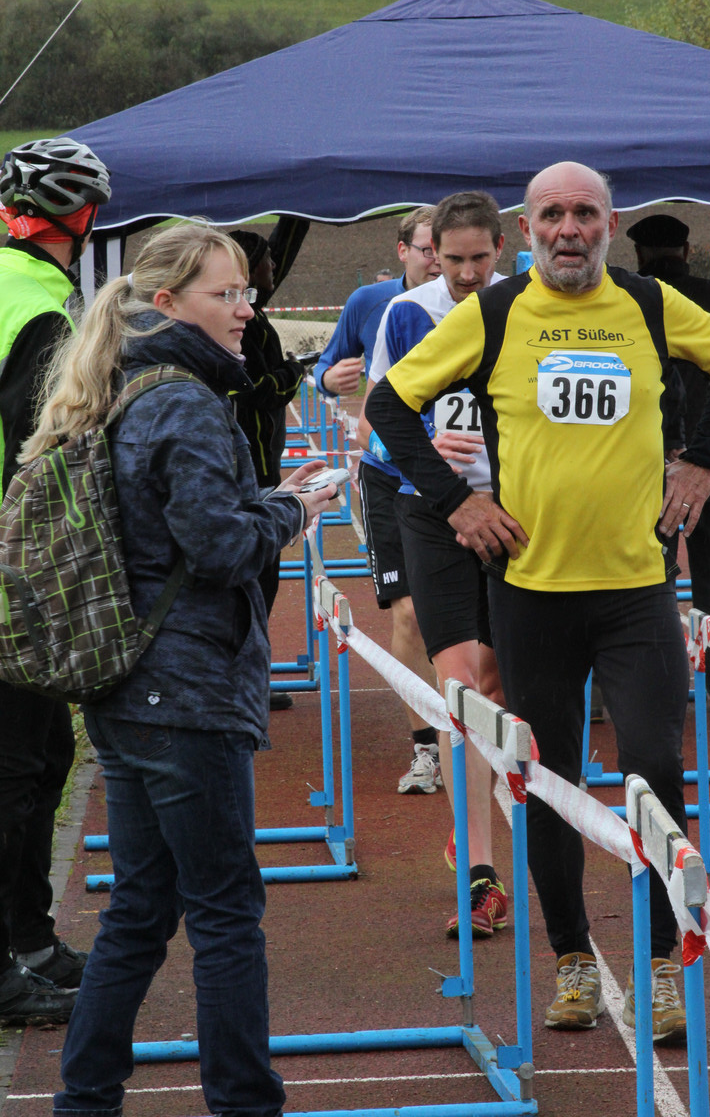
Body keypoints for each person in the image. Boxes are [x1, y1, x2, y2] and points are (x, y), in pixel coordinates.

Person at [366, 162, 710, 1042]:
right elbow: (390, 403)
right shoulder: (496, 312)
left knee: (654, 769)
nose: (569, 229)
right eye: (552, 215)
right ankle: (573, 958)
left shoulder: (648, 304)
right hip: (532, 596)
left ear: (609, 224)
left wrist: (702, 459)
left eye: (585, 213)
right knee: (547, 783)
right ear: (527, 229)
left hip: (635, 593)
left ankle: (663, 962)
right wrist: (455, 502)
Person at [20, 223, 338, 1117]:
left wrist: (266, 502)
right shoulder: (186, 402)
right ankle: (244, 1103)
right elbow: (221, 546)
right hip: (184, 692)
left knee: (141, 907)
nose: (246, 311)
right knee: (226, 915)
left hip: (129, 686)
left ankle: (86, 1098)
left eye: (247, 293)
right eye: (225, 294)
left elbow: (174, 530)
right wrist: (293, 508)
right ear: (167, 304)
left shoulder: (122, 385)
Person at [360, 191, 508, 939]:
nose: (467, 273)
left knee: (498, 682)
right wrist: (422, 445)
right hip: (432, 509)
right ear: (430, 253)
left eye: (479, 258)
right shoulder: (405, 314)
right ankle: (482, 875)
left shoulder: (524, 306)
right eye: (453, 260)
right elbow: (374, 421)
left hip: (515, 512)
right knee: (460, 687)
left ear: (501, 250)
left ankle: (480, 808)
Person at [0, 137, 112, 1028]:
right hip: (14, 569)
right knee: (19, 767)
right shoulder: (39, 306)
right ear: (83, 219)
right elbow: (41, 453)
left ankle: (30, 941)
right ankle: (11, 962)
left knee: (43, 759)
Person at [314, 208, 445, 794]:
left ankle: (480, 732)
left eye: (447, 251)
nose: (438, 261)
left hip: (467, 478)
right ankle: (427, 749)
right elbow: (325, 366)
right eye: (427, 249)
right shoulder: (370, 303)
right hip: (389, 474)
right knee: (410, 612)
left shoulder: (482, 304)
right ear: (402, 251)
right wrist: (328, 380)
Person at [625, 213, 710, 710]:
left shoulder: (629, 298)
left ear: (639, 254)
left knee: (639, 584)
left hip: (644, 460)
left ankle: (644, 688)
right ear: (687, 250)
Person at [229, 228, 305, 615]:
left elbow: (279, 254)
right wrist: (294, 371)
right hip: (252, 471)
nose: (274, 264)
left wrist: (299, 216)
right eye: (266, 261)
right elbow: (258, 389)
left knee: (262, 586)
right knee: (256, 588)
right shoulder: (243, 325)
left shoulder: (251, 311)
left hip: (262, 467)